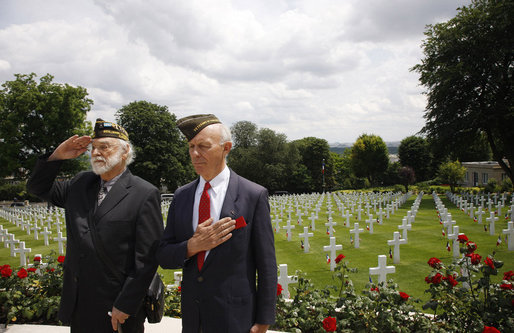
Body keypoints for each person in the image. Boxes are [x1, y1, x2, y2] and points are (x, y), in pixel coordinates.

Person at [27, 119, 164, 333]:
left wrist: (125, 305)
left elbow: (147, 259)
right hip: (80, 304)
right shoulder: (80, 184)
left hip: (117, 308)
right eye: (93, 148)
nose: (96, 153)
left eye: (104, 147)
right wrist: (57, 156)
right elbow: (37, 187)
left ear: (125, 152)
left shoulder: (144, 193)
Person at [156, 114, 277, 333]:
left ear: (226, 148)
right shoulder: (182, 196)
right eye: (191, 146)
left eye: (203, 146)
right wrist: (192, 246)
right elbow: (164, 255)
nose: (195, 153)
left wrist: (264, 319)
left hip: (236, 318)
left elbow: (266, 264)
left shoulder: (253, 195)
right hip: (194, 320)